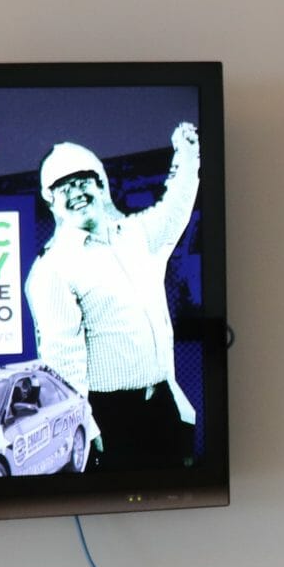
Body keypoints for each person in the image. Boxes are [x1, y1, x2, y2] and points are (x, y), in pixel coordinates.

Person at [23, 123, 201, 468]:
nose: (75, 192)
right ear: (51, 202)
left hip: (163, 404)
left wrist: (188, 153)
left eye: (82, 182)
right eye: (63, 188)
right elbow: (61, 362)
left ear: (100, 186)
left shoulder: (135, 235)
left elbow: (174, 210)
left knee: (178, 494)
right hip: (112, 419)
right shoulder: (52, 269)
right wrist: (86, 427)